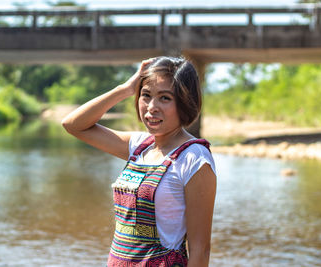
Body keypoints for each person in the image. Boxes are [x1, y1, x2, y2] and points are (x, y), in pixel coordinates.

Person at [61, 56, 217, 267]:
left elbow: (200, 250)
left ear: (184, 102)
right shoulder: (139, 145)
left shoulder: (194, 158)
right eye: (146, 95)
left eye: (165, 98)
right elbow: (73, 125)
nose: (151, 107)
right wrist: (125, 88)